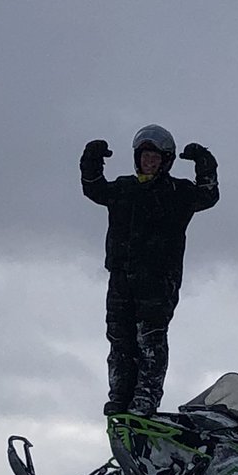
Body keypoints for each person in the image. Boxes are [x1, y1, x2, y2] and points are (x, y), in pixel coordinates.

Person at [80, 124, 219, 417]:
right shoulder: (124, 189)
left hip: (158, 281)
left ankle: (146, 396)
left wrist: (204, 163)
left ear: (166, 160)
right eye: (145, 156)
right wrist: (91, 159)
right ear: (137, 157)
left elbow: (208, 195)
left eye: (156, 157)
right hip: (121, 277)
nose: (150, 161)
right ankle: (120, 394)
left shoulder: (177, 193)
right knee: (120, 339)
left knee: (150, 341)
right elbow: (94, 187)